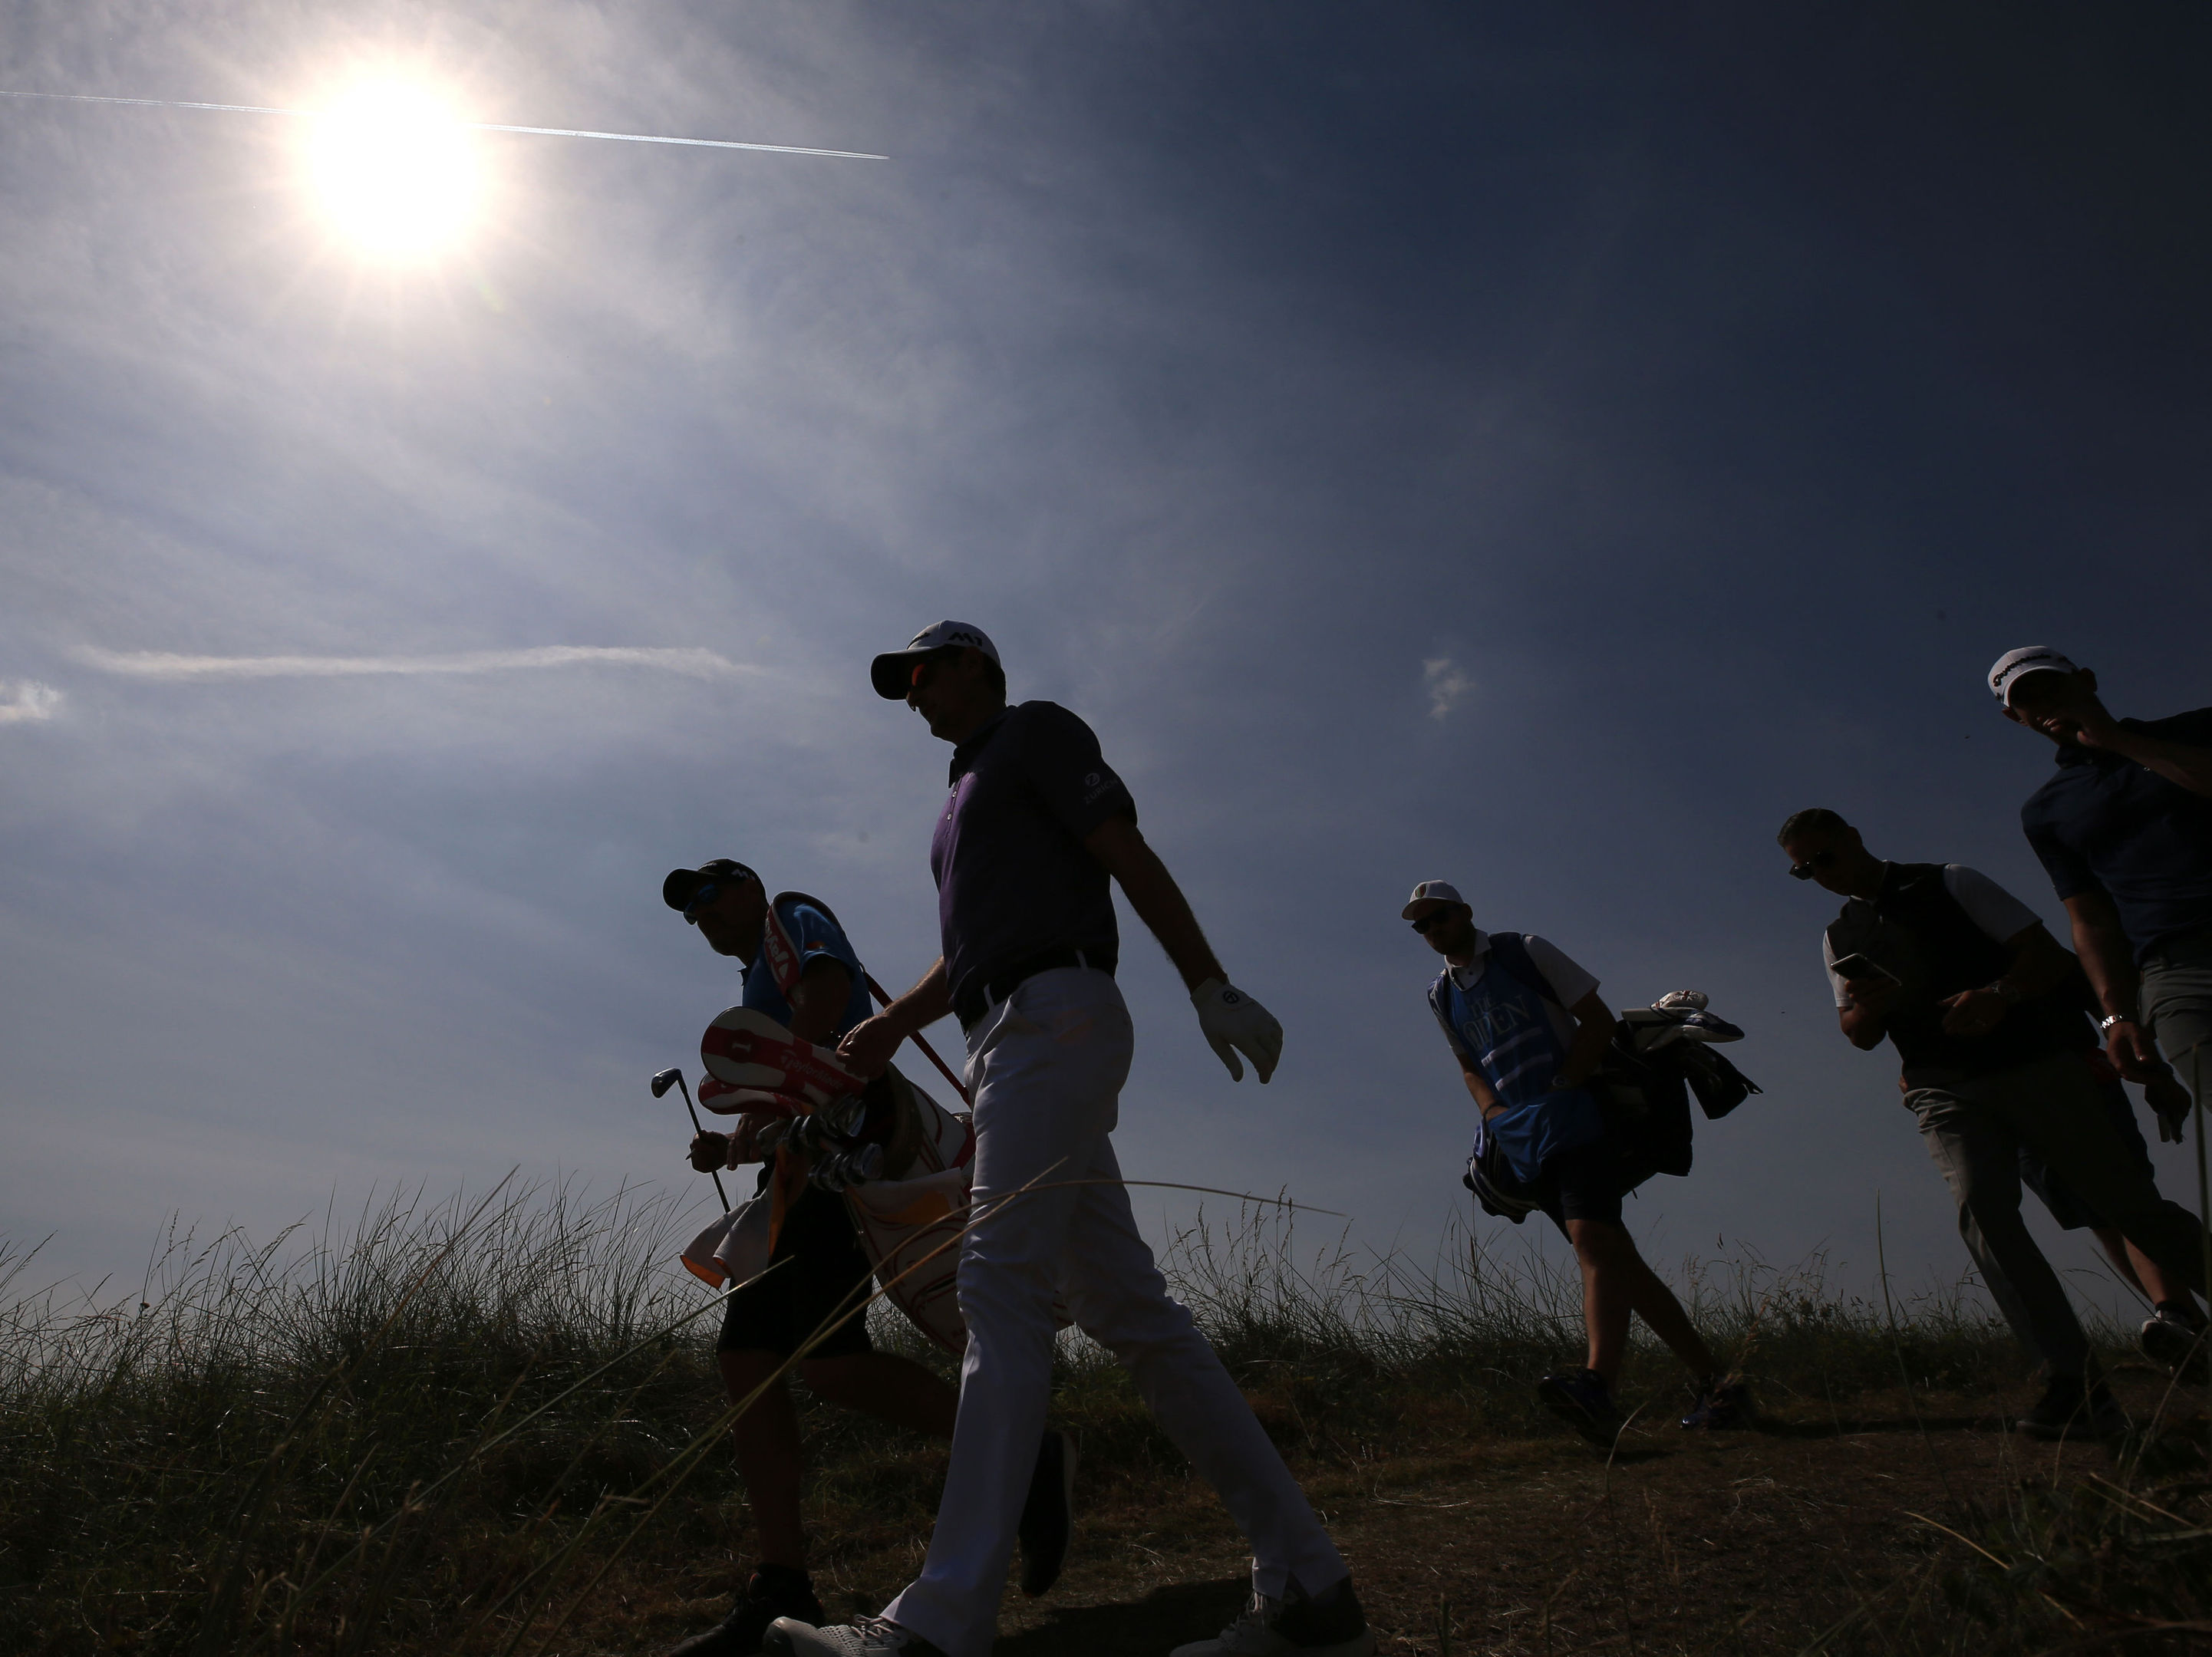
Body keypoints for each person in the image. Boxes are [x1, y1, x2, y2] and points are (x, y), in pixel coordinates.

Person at [766, 621, 1373, 1657]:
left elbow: (1120, 851)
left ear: (971, 665)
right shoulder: (952, 809)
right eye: (899, 684)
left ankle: (938, 1624)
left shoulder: (1033, 733)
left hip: (1056, 1016)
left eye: (919, 672)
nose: (909, 694)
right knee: (1128, 1310)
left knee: (996, 1292)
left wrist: (1206, 980)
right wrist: (890, 1027)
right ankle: (1311, 1589)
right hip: (1004, 1033)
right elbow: (965, 953)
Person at [661, 859, 1073, 1657]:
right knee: (747, 1360)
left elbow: (823, 1000)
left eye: (712, 891)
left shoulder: (792, 918)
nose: (703, 913)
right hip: (795, 1174)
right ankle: (779, 1583)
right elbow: (786, 1080)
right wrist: (738, 1138)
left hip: (845, 1160)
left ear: (749, 885)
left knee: (829, 1367)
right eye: (690, 910)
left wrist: (786, 1078)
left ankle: (1025, 1450)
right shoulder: (753, 978)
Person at [1777, 809, 2208, 1437]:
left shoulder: (1949, 882)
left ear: (1853, 838)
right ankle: (2073, 1385)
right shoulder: (1839, 936)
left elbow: (2044, 956)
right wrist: (1868, 1009)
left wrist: (1997, 996)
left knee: (2128, 1205)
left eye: (1824, 857)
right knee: (1982, 1211)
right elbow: (1855, 1032)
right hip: (1940, 1086)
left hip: (2033, 1065)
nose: (1820, 874)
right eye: (1804, 870)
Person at [1403, 880, 1746, 1442]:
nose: (1431, 931)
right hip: (1521, 1138)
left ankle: (1597, 1387)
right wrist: (1493, 1115)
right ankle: (1719, 1386)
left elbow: (1598, 1020)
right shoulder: (1440, 994)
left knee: (1593, 1245)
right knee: (1616, 1264)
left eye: (1438, 917)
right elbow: (1468, 1063)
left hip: (1577, 1120)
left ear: (1464, 912)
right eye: (1421, 926)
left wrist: (1566, 1083)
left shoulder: (1524, 950)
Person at [1994, 646, 2212, 1371]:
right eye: (2025, 699)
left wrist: (2119, 742)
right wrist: (2116, 1017)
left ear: (2085, 681)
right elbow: (2087, 920)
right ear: (2012, 717)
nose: (2042, 703)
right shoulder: (2047, 811)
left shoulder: (2191, 729)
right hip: (2172, 972)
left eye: (2051, 686)